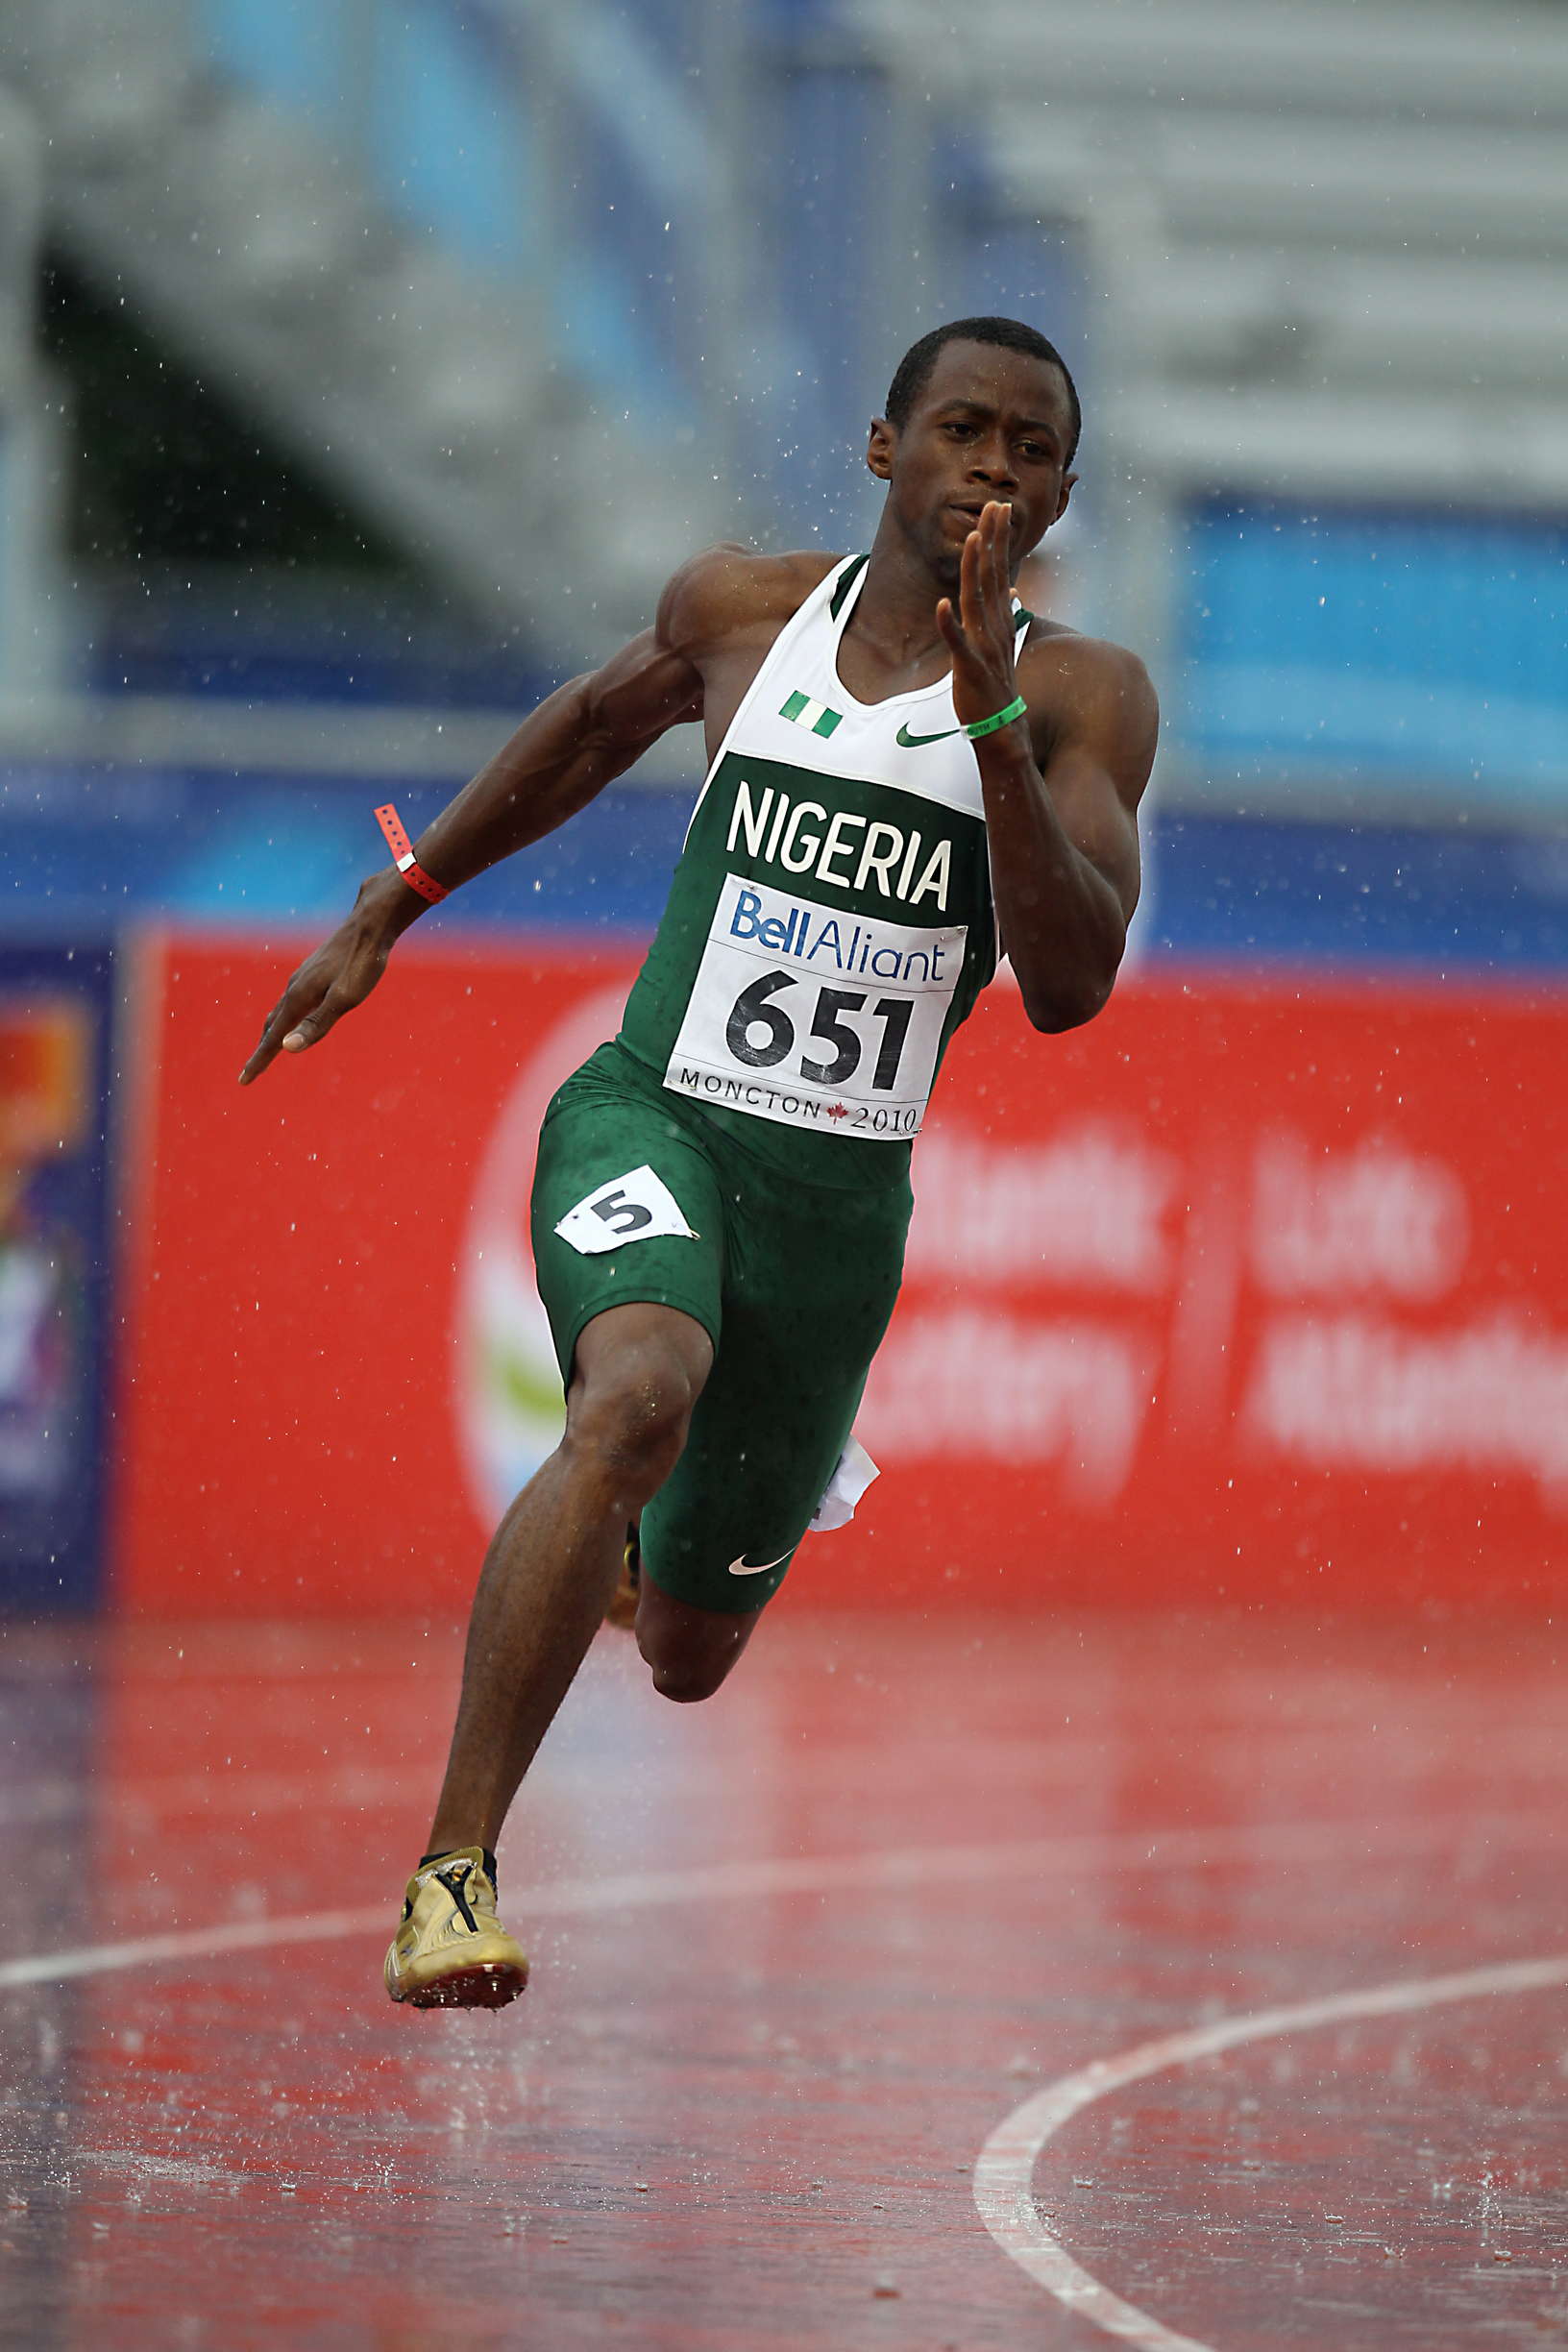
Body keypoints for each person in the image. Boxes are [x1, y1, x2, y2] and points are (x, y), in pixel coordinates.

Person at [240, 316, 1158, 2010]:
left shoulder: (1085, 698)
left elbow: (1073, 983)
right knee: (636, 1398)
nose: (995, 468)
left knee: (683, 1659)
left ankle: (639, 1556)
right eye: (964, 429)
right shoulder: (745, 613)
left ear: (1060, 495)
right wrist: (398, 900)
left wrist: (990, 727)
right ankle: (453, 1875)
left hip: (835, 1217)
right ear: (885, 450)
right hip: (654, 1115)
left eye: (1033, 451)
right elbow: (589, 731)